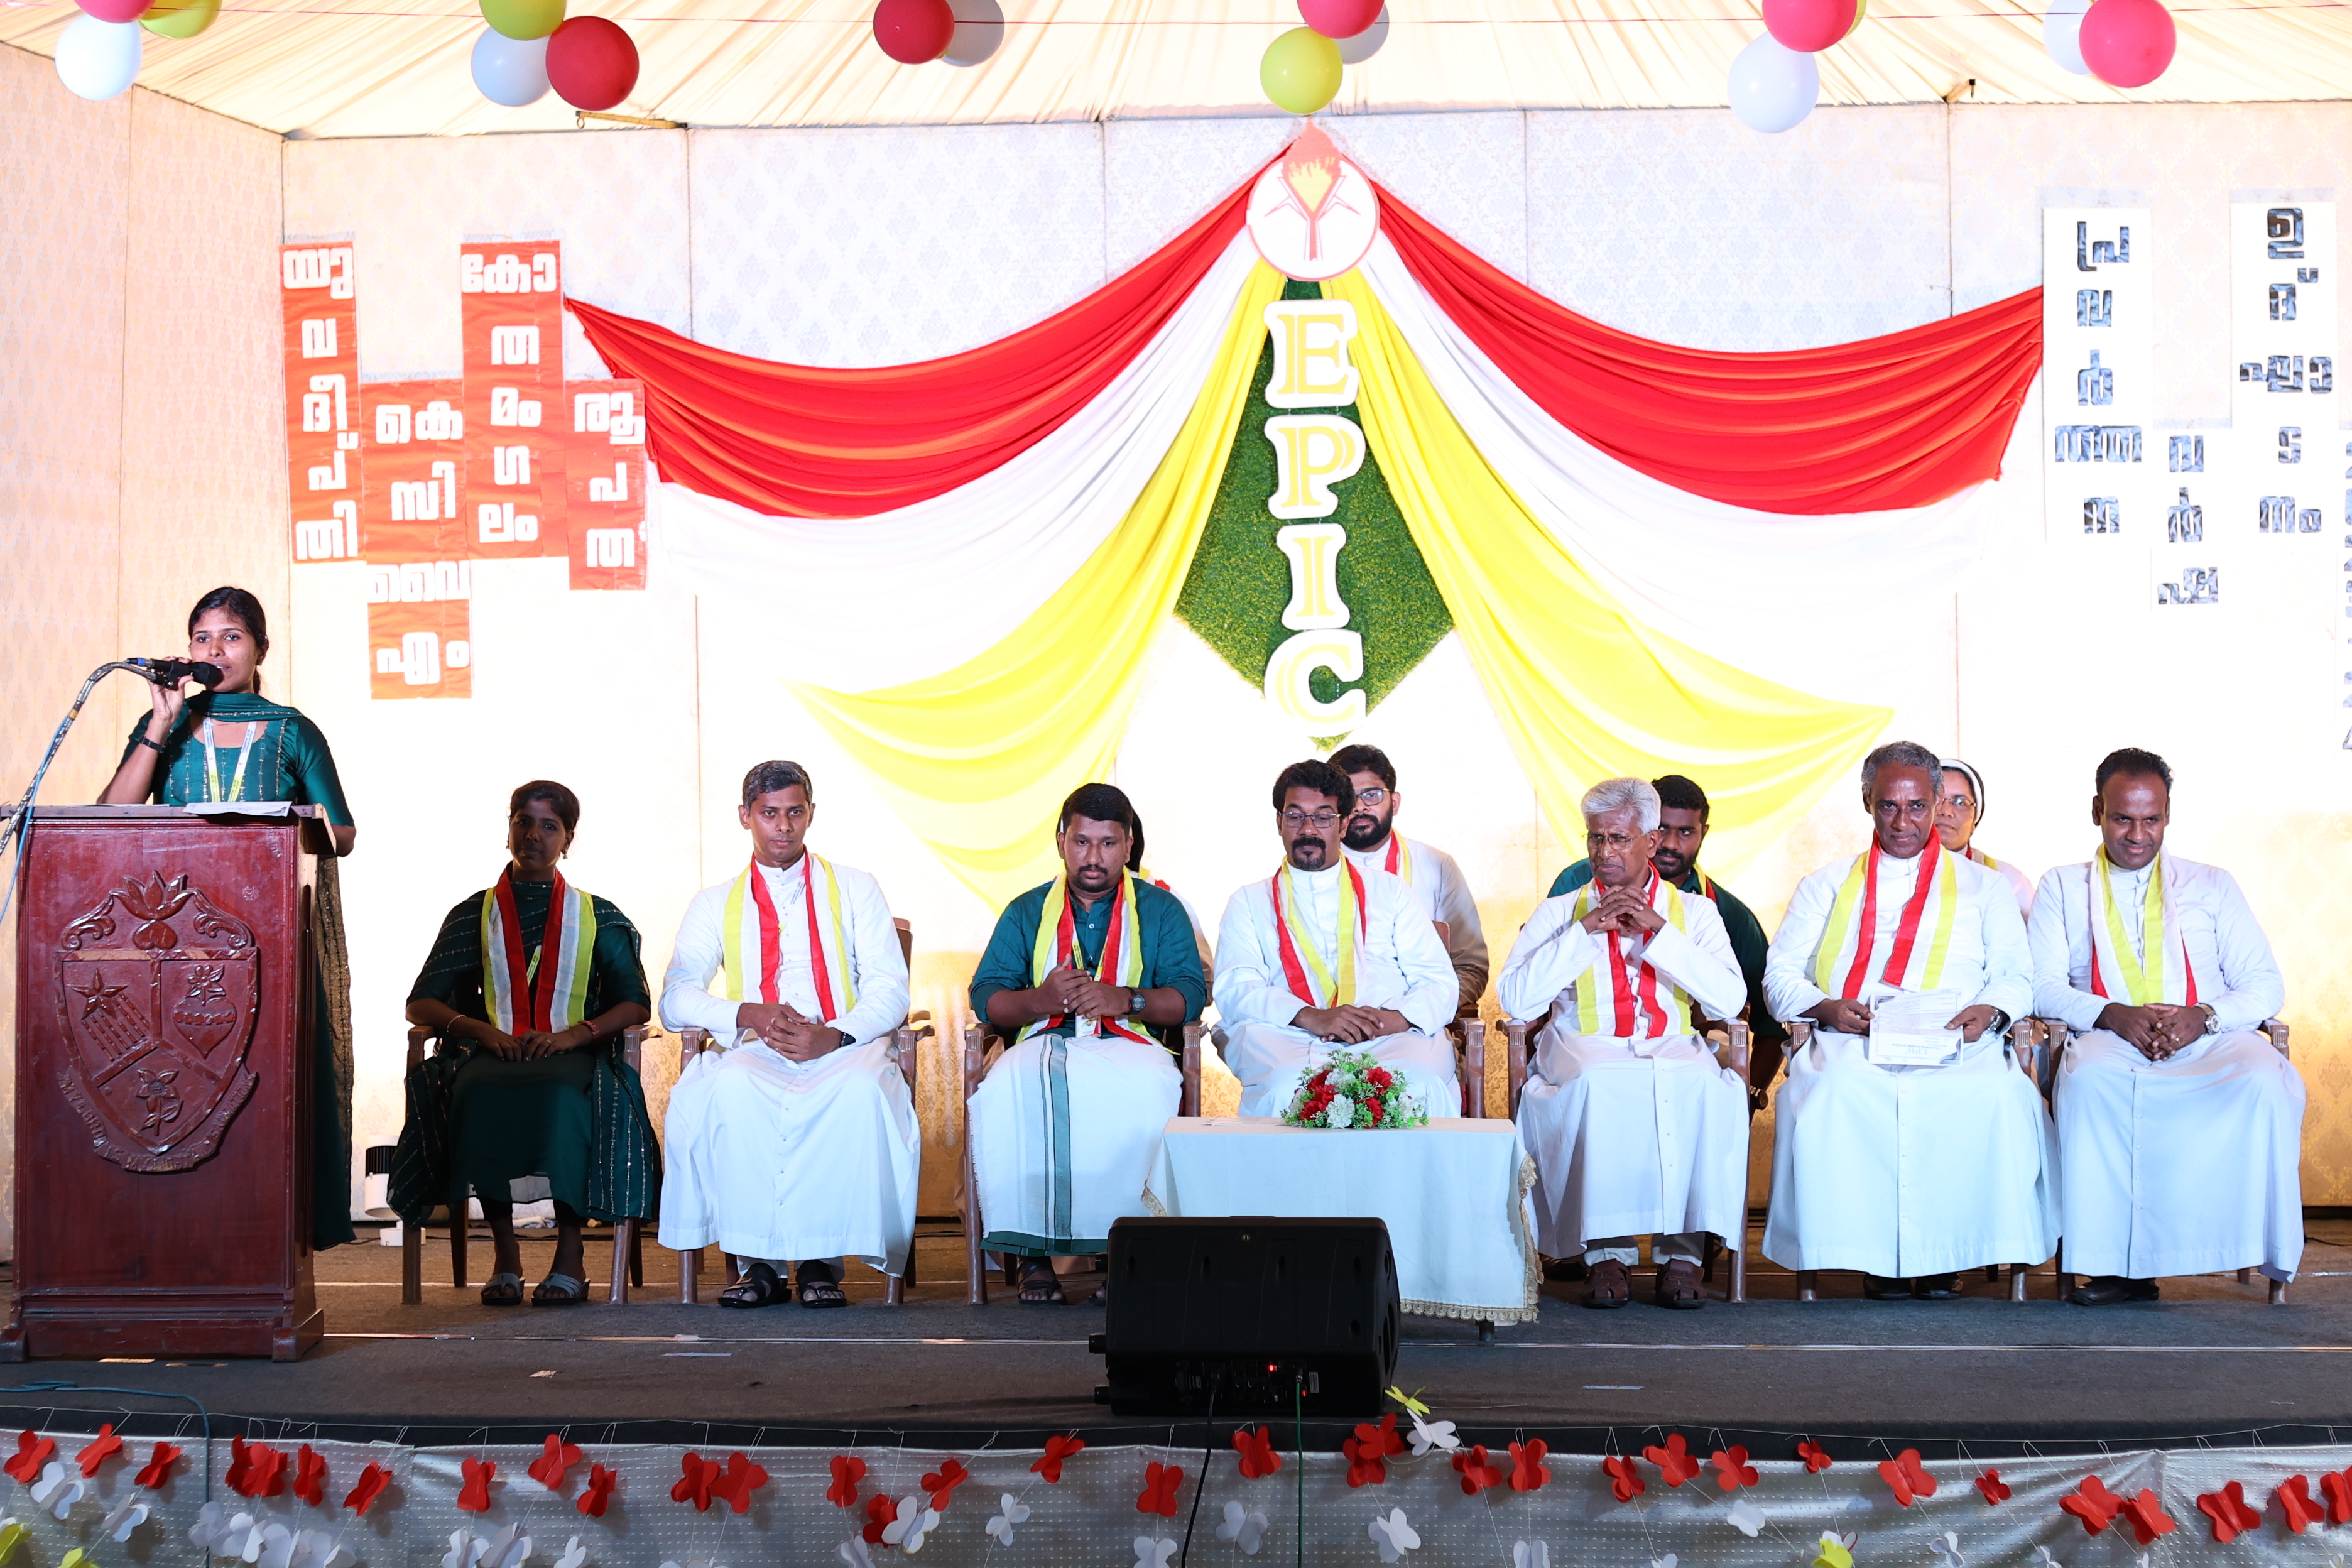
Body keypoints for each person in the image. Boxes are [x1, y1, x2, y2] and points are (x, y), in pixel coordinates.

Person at [99, 585, 359, 1250]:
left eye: (232, 637)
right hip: (176, 948)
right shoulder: (168, 724)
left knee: (261, 1089)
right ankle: (180, 1234)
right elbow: (111, 814)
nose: (215, 650)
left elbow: (342, 834)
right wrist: (159, 724)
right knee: (182, 1089)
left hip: (269, 941)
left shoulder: (293, 730)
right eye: (202, 638)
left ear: (261, 649)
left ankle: (263, 1237)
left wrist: (286, 823)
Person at [1761, 740, 2051, 1300]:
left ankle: (1948, 1258)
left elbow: (2018, 974)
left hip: (1958, 1042)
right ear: (1867, 802)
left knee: (1996, 1093)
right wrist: (1826, 1008)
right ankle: (1874, 1260)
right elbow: (1779, 977)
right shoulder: (1825, 884)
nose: (1902, 822)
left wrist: (1990, 1011)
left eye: (1917, 806)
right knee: (1835, 1089)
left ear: (1937, 802)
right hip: (1853, 1040)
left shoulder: (1986, 885)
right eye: (1888, 806)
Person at [2027, 748, 2298, 1305]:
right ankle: (2115, 1270)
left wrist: (2205, 1017)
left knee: (2262, 1080)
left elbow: (2264, 984)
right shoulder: (2062, 886)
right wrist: (2112, 1014)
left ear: (2168, 815)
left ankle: (2239, 1244)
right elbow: (2042, 985)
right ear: (2097, 811)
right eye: (2122, 818)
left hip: (2209, 1040)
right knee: (2089, 1081)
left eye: (2151, 819)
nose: (2137, 835)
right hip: (2108, 1038)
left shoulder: (2213, 884)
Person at [656, 761, 916, 1309]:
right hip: (761, 1049)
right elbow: (675, 998)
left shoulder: (856, 887)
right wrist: (746, 1014)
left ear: (811, 814)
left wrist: (835, 1035)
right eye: (769, 813)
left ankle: (822, 1264)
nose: (783, 826)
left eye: (794, 812)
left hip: (845, 1046)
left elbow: (891, 990)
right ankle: (760, 1267)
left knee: (858, 1092)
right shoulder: (714, 902)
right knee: (732, 1090)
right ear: (745, 816)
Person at [390, 781, 658, 1305]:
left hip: (573, 1055)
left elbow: (635, 1004)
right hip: (492, 1053)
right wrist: (480, 1030)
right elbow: (421, 1004)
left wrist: (573, 1035)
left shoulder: (599, 916)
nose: (534, 835)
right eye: (524, 822)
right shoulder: (474, 913)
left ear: (568, 839)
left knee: (561, 1099)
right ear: (509, 829)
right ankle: (506, 1255)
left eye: (549, 826)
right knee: (475, 1094)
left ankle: (571, 1254)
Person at [1499, 778, 1749, 1310]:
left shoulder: (1695, 913)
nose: (1604, 851)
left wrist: (1659, 932)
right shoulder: (1560, 911)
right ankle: (1605, 1255)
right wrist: (1586, 931)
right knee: (1598, 1081)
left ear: (1651, 842)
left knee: (1701, 1083)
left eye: (1618, 839)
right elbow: (1516, 1000)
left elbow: (1730, 1000)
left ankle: (1683, 1255)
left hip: (1671, 1042)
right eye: (1596, 838)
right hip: (1583, 1044)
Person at [967, 784, 1207, 1304]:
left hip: (1132, 1041)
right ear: (1061, 842)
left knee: (1148, 1090)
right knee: (1009, 1086)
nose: (1093, 857)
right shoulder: (1027, 910)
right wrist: (1041, 999)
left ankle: (1128, 1255)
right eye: (1081, 842)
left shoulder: (1161, 909)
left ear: (1129, 845)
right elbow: (987, 997)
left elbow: (1189, 995)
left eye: (1108, 843)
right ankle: (1033, 1256)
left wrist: (1126, 999)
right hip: (1046, 1039)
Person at [1212, 760, 1459, 1120]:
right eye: (1295, 816)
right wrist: (1310, 1017)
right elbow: (1236, 987)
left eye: (1324, 817)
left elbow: (1437, 981)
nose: (1308, 829)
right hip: (1288, 1035)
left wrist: (1389, 1020)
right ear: (1279, 823)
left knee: (1419, 1080)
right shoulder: (1248, 902)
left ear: (1343, 824)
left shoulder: (1390, 891)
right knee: (1284, 1085)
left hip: (1388, 1036)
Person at [1547, 774, 1788, 1101]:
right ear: (1647, 831)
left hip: (1681, 1044)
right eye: (1662, 828)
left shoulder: (1723, 911)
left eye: (1685, 832)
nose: (1670, 844)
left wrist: (1752, 1095)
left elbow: (1766, 1017)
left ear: (1704, 832)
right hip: (1586, 1041)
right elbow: (1543, 966)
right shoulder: (1575, 884)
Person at [1330, 743, 1489, 1019]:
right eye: (1348, 797)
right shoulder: (1311, 870)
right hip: (1330, 1018)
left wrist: (1417, 1012)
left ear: (1395, 802)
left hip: (1413, 1021)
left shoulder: (1437, 866)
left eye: (1372, 795)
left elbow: (1470, 966)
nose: (1359, 807)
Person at [1936, 758, 2035, 917]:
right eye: (1936, 799)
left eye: (1960, 802)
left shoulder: (2010, 881)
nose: (1946, 811)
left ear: (1975, 820)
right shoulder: (1896, 871)